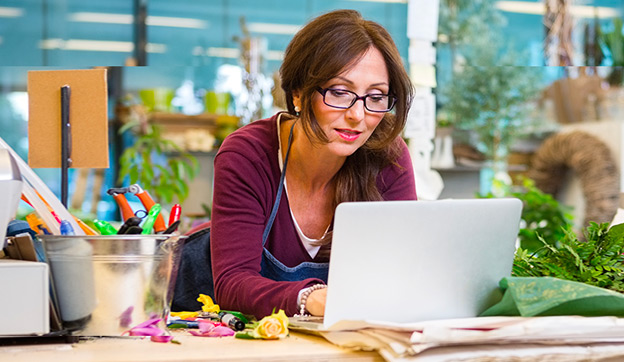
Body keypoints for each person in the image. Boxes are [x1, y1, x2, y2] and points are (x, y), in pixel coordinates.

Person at [210, 9, 417, 319]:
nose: (357, 115)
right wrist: (312, 299)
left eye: (376, 97)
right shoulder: (248, 155)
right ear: (298, 93)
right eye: (338, 92)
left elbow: (402, 272)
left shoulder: (388, 156)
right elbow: (232, 284)